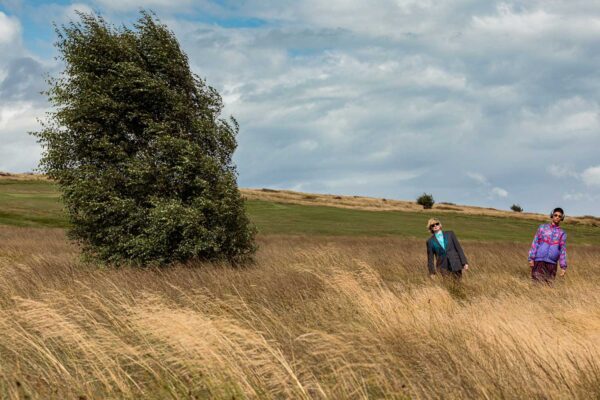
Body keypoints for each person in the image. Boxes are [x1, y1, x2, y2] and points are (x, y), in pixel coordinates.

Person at [528, 207, 568, 282]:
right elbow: (535, 243)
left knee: (548, 288)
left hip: (552, 263)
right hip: (539, 261)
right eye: (555, 215)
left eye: (559, 216)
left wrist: (563, 266)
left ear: (562, 218)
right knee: (536, 284)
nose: (557, 217)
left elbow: (562, 250)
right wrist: (531, 258)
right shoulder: (542, 228)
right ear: (552, 215)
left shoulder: (562, 233)